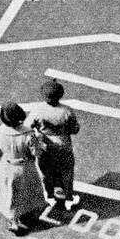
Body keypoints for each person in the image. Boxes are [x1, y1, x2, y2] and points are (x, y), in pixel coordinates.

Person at [0, 101, 46, 236]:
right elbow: (37, 152)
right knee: (29, 191)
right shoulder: (28, 133)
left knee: (10, 195)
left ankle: (13, 220)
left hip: (7, 168)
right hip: (25, 167)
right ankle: (29, 214)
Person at [25, 80, 80, 209]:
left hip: (45, 145)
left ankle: (49, 194)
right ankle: (66, 197)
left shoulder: (38, 110)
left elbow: (28, 127)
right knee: (65, 172)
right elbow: (75, 129)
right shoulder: (67, 111)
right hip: (63, 145)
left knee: (46, 171)